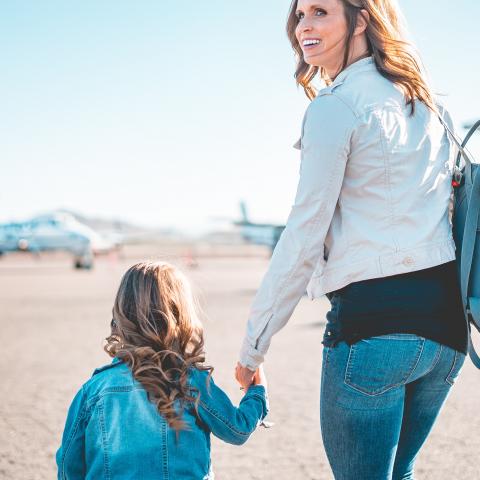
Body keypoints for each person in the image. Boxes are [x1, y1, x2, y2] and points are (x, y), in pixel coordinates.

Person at [235, 0, 469, 478]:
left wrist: (252, 348)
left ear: (361, 19)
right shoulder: (430, 105)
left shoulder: (335, 107)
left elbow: (303, 235)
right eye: (300, 16)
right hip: (447, 335)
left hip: (375, 332)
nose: (304, 26)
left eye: (321, 12)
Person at [57, 261, 268, 480]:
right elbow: (238, 430)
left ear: (121, 313)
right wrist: (255, 390)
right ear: (179, 315)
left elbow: (68, 464)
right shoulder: (190, 381)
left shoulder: (94, 389)